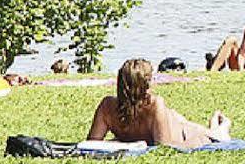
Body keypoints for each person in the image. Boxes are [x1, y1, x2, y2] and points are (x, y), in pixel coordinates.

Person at [86, 58, 231, 148]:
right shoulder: (107, 106)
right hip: (172, 121)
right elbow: (91, 144)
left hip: (183, 131)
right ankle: (215, 127)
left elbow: (165, 148)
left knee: (214, 137)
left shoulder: (155, 105)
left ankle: (220, 126)